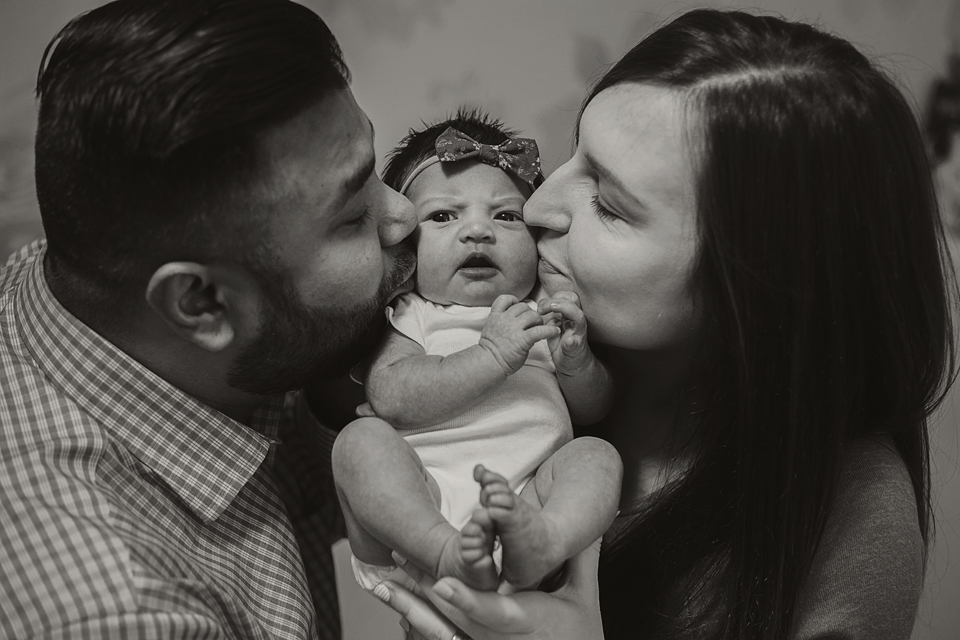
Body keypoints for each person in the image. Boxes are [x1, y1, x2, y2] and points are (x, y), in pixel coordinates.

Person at [374, 9, 957, 640]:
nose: (538, 207)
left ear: (750, 288)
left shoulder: (852, 510)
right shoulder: (529, 338)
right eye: (575, 154)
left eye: (608, 204)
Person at [0, 0, 416, 638]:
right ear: (200, 304)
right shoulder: (117, 612)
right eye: (353, 217)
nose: (403, 216)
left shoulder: (93, 287)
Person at [333, 111, 621, 598]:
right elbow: (391, 397)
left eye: (506, 216)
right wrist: (491, 355)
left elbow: (595, 410)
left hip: (531, 497)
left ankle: (546, 543)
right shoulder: (413, 313)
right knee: (357, 443)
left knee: (596, 455)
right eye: (444, 216)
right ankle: (445, 550)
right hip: (422, 500)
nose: (478, 231)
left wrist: (578, 364)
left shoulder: (544, 310)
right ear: (404, 246)